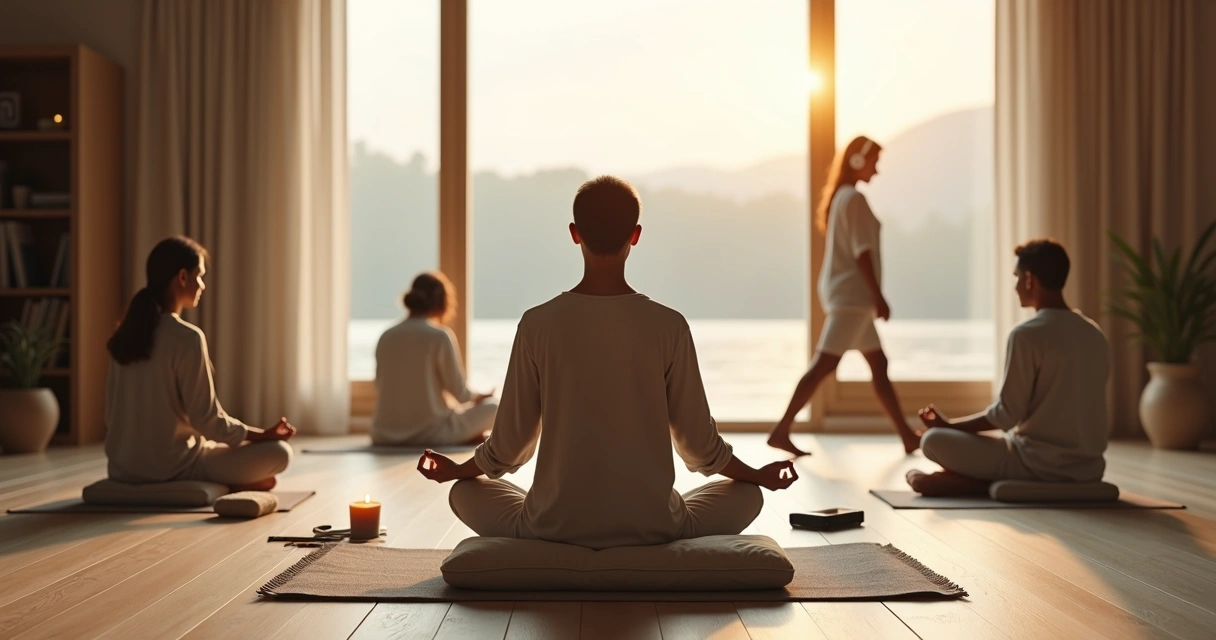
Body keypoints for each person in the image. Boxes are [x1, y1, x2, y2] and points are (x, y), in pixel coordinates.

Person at [417, 176, 798, 550]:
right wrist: (757, 475)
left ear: (574, 233)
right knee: (749, 496)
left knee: (464, 492)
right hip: (654, 525)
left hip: (552, 525)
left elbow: (509, 446)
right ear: (635, 235)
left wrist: (457, 470)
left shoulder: (537, 323)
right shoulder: (669, 325)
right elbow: (699, 447)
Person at [907, 239, 1111, 496]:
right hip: (1089, 469)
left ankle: (975, 485)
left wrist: (947, 427)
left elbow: (1006, 415)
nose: (1015, 286)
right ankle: (980, 483)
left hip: (1033, 463)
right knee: (949, 440)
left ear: (1029, 280)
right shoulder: (1094, 333)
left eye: (1016, 278)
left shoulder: (1027, 335)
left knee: (932, 441)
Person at [768, 136, 920, 457]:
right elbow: (862, 251)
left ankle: (907, 436)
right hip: (854, 298)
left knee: (878, 364)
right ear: (856, 162)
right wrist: (879, 296)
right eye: (874, 162)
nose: (877, 171)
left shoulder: (842, 197)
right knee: (824, 364)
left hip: (851, 298)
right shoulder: (854, 199)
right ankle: (781, 430)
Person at [104, 236, 294, 492]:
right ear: (182, 277)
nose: (203, 285)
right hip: (174, 466)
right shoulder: (187, 337)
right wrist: (263, 436)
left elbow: (111, 414)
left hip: (123, 468)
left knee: (226, 454)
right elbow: (207, 421)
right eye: (200, 276)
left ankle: (227, 480)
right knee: (279, 452)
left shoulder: (125, 335)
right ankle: (222, 481)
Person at [371, 271, 497, 447]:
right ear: (442, 301)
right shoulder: (439, 336)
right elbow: (461, 394)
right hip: (431, 434)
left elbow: (379, 384)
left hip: (383, 434)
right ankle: (466, 436)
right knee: (495, 408)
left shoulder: (386, 335)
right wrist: (479, 397)